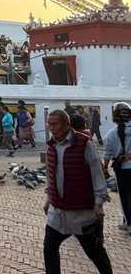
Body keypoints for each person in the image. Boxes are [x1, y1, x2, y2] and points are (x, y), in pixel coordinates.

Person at [43, 109, 112, 274]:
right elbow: (50, 174)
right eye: (49, 125)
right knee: (49, 249)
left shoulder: (84, 143)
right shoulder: (51, 145)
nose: (52, 128)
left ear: (67, 124)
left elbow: (97, 173)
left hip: (82, 212)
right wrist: (49, 198)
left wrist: (99, 203)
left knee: (95, 252)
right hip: (57, 213)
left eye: (55, 124)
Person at [103, 101, 130, 233]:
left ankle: (128, 222)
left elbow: (108, 153)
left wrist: (105, 167)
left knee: (124, 196)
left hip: (122, 169)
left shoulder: (111, 133)